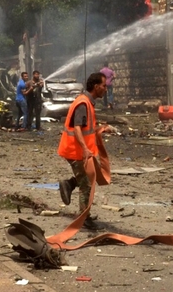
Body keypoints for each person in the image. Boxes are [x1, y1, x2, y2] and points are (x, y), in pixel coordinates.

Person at [57, 72, 108, 230]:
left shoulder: (87, 102)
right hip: (75, 151)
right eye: (104, 86)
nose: (106, 89)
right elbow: (77, 128)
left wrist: (103, 129)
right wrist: (85, 149)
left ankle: (69, 184)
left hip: (78, 150)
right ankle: (84, 218)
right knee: (86, 184)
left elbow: (87, 128)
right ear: (96, 86)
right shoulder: (83, 103)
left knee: (86, 179)